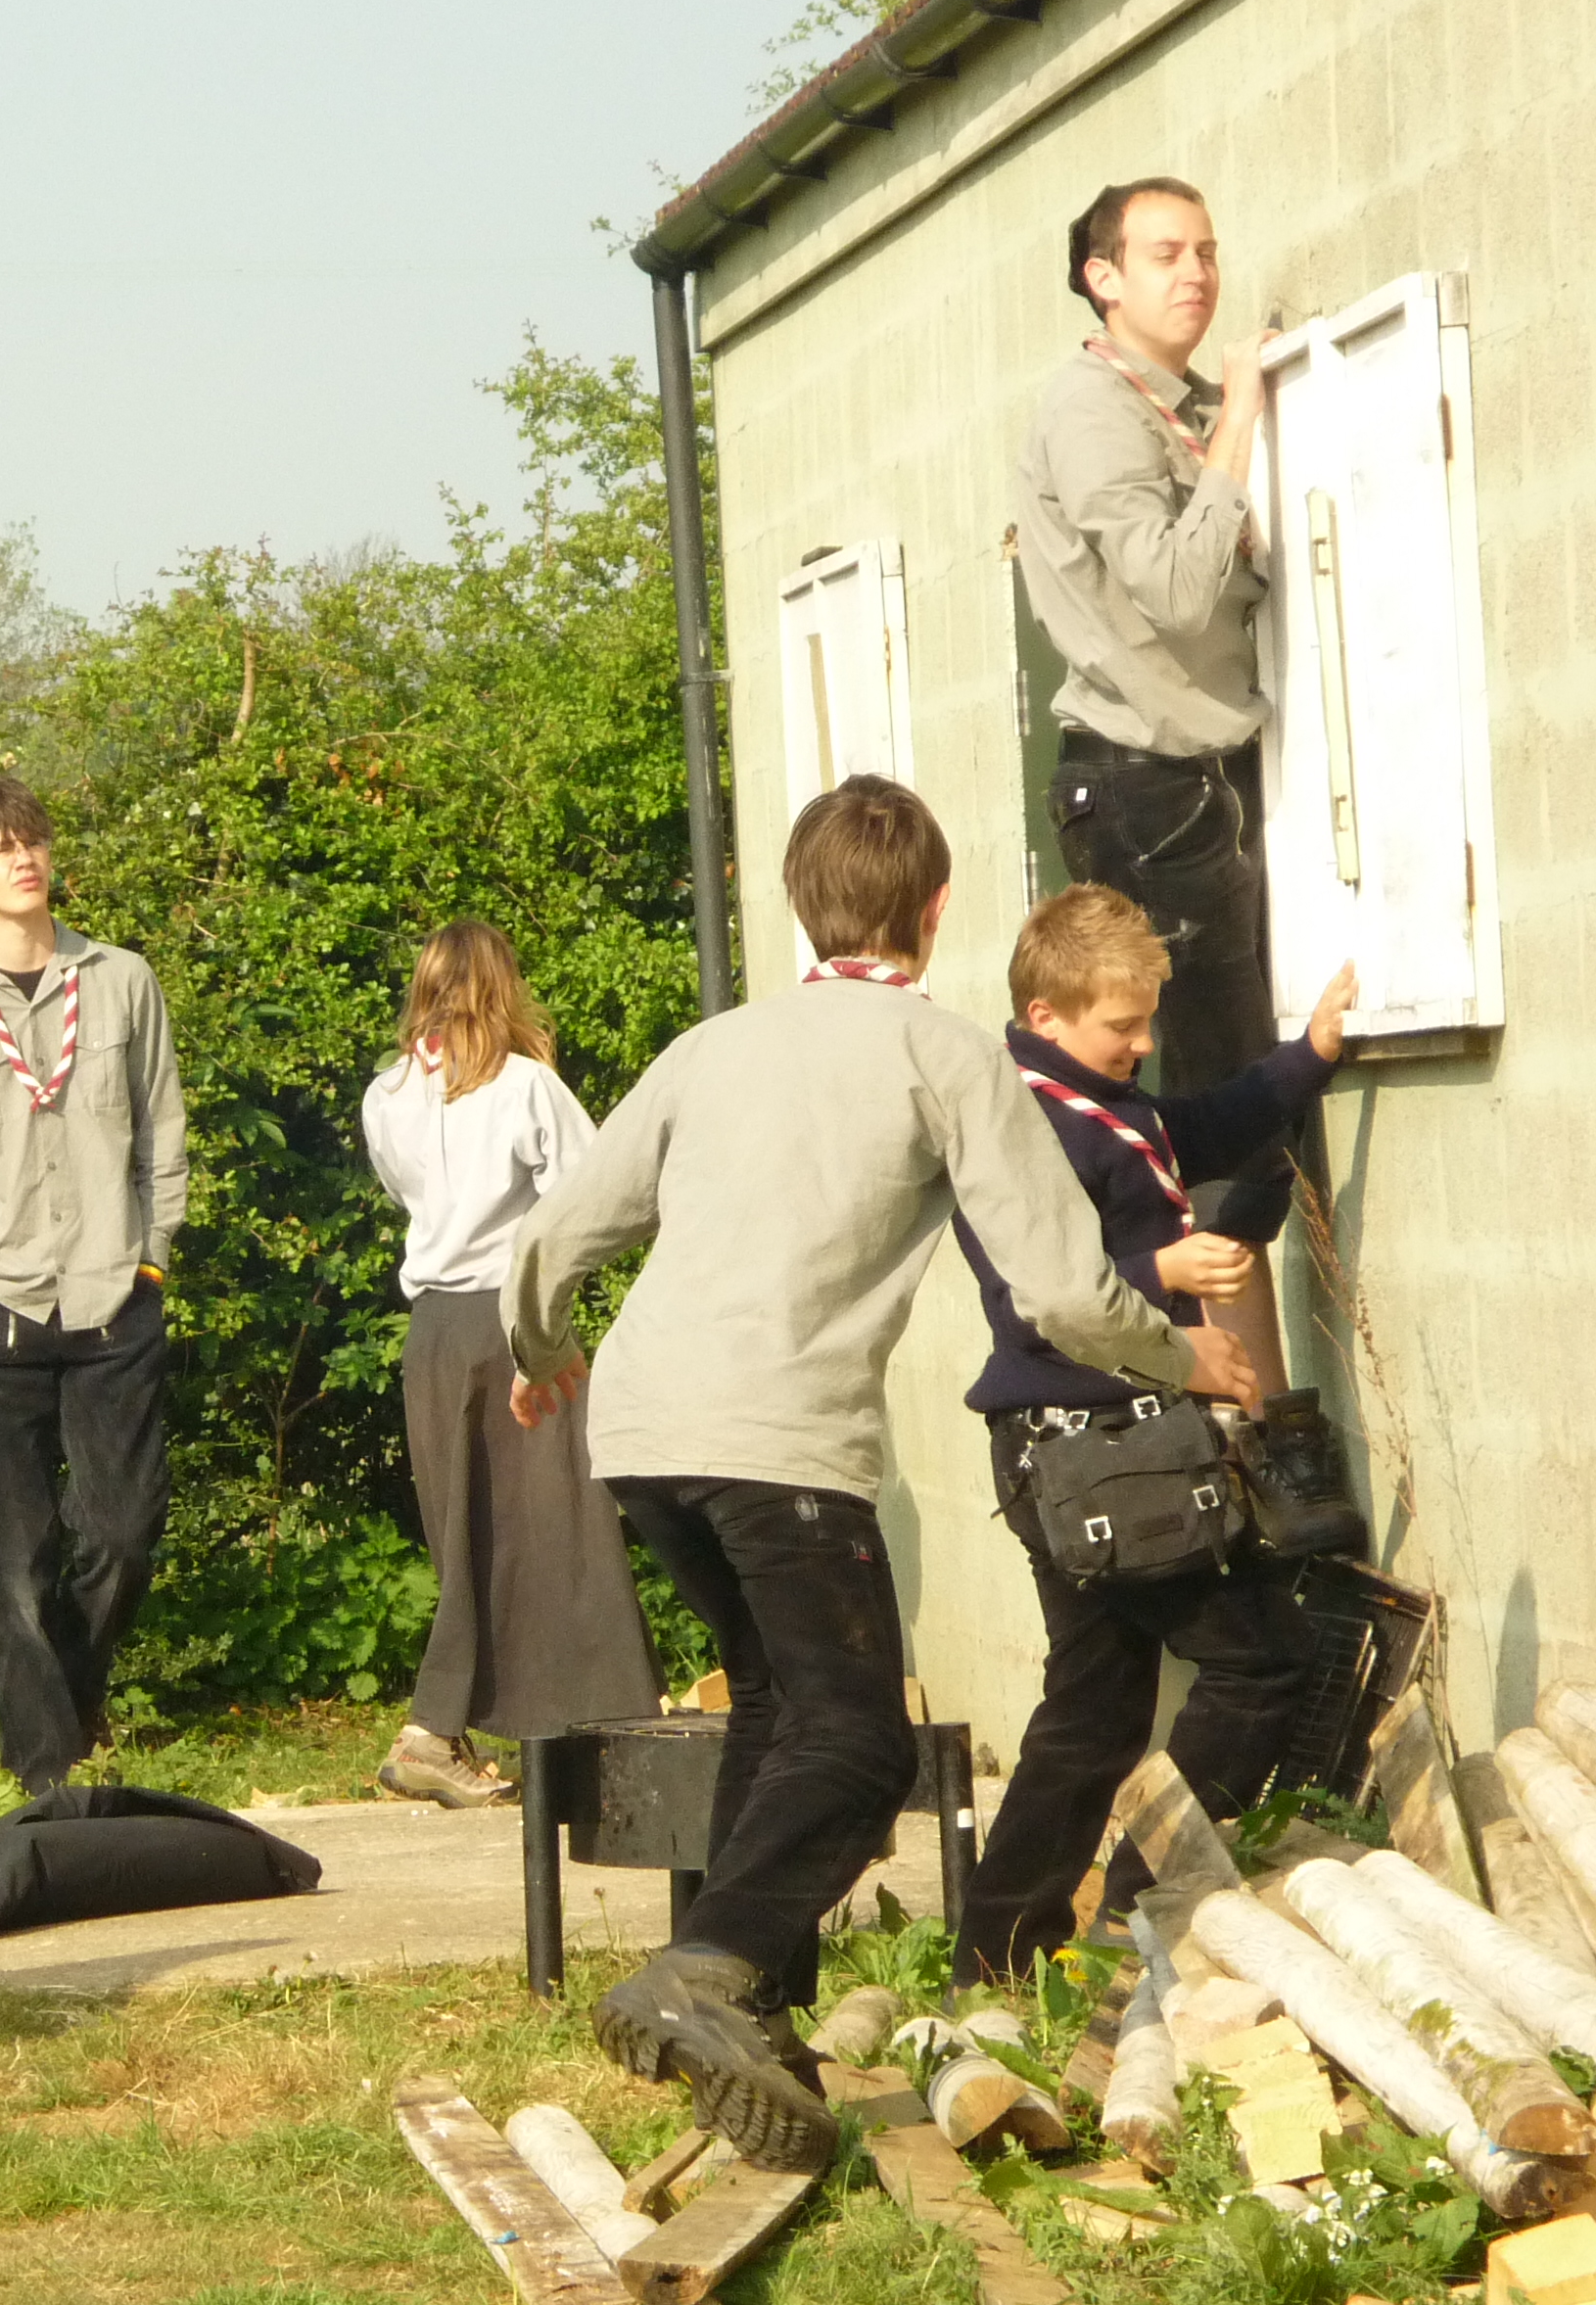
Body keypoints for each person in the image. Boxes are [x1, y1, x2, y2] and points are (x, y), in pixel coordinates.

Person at [502, 776, 1258, 2168]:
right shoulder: (947, 1055)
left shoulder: (709, 1047)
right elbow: (1061, 1291)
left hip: (645, 1432)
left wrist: (539, 1349)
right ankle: (708, 1971)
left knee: (778, 1711)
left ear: (801, 902)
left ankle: (756, 2022)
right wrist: (1183, 1357)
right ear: (938, 908)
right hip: (779, 1441)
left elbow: (558, 1236)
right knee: (857, 1747)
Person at [948, 886, 1362, 1984]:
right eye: (1120, 1026)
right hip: (1093, 1447)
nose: (1141, 1045)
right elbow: (1028, 1298)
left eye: (1146, 1023)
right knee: (1261, 1663)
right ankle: (1142, 1908)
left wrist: (1311, 1055)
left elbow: (1201, 1125)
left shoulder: (1098, 1096)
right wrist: (1161, 1272)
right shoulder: (1027, 1124)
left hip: (1089, 1445)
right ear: (1044, 1014)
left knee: (1094, 1709)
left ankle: (996, 1956)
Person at [1016, 175, 1325, 1412]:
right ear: (1102, 278)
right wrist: (1245, 412)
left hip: (1206, 782)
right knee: (1218, 1125)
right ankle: (1256, 1428)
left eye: (1205, 251)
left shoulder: (1177, 404)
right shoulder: (1093, 412)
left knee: (1230, 1112)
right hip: (1145, 792)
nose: (1194, 273)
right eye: (1162, 254)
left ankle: (1242, 1422)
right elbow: (1182, 592)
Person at [0, 776, 189, 1795]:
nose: (25, 859)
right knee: (14, 1563)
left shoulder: (123, 981)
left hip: (113, 1297)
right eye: (0, 849)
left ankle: (74, 1702)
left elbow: (161, 1136)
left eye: (35, 841)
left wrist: (152, 1261)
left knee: (124, 1534)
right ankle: (48, 1777)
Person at [359, 921, 661, 1809]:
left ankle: (515, 1734)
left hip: (432, 1334)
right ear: (503, 985)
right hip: (511, 1320)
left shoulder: (386, 1094)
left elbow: (403, 1193)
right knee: (564, 1531)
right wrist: (549, 1320)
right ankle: (555, 1737)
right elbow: (593, 1195)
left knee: (471, 1535)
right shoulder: (526, 1085)